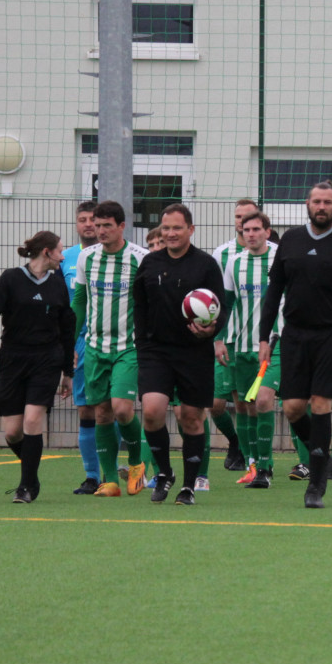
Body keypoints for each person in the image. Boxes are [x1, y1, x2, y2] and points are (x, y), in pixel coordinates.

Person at [258, 182, 332, 509]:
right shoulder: (292, 240)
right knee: (294, 408)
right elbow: (274, 292)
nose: (321, 206)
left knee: (322, 403)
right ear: (307, 204)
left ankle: (316, 484)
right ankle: (322, 457)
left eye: (327, 202)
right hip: (294, 334)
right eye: (316, 201)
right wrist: (264, 337)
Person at [132, 203, 229, 505]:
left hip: (194, 352)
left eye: (177, 228)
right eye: (166, 228)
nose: (170, 233)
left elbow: (220, 309)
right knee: (151, 411)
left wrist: (211, 330)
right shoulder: (149, 263)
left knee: (191, 418)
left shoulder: (205, 265)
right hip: (155, 350)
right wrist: (142, 342)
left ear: (191, 230)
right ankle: (164, 473)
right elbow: (139, 306)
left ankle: (188, 486)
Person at [0, 231, 76, 503]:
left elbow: (67, 328)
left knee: (32, 420)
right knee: (13, 432)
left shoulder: (58, 284)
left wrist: (68, 372)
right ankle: (33, 473)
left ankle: (27, 486)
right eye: (59, 251)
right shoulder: (11, 279)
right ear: (46, 252)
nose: (62, 257)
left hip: (46, 360)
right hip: (13, 360)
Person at [71, 200, 149, 497]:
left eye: (105, 225)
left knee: (122, 408)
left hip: (128, 347)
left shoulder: (141, 258)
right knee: (102, 413)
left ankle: (136, 464)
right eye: (95, 224)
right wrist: (70, 341)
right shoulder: (86, 259)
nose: (99, 230)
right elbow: (79, 302)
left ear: (121, 226)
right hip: (94, 347)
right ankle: (109, 481)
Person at [218, 212, 284, 488]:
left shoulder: (282, 258)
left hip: (276, 343)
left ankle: (266, 466)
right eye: (246, 230)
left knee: (264, 401)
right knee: (244, 407)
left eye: (257, 229)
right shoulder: (234, 263)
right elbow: (227, 303)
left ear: (267, 232)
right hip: (241, 344)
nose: (251, 234)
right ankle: (252, 464)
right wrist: (219, 339)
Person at [213, 199, 262, 476]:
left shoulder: (273, 254)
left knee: (255, 402)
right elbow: (218, 298)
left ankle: (253, 456)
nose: (241, 223)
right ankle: (236, 443)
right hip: (228, 340)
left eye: (247, 217)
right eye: (237, 218)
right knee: (217, 404)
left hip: (260, 342)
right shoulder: (222, 254)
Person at [62, 201, 101, 495]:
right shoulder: (66, 258)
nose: (88, 224)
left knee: (116, 409)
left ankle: (134, 469)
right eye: (83, 219)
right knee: (87, 409)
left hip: (116, 341)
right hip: (79, 343)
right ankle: (92, 475)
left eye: (93, 219)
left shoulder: (121, 256)